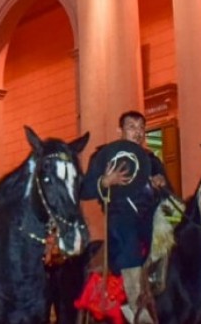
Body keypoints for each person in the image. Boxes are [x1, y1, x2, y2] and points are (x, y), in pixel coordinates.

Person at [80, 111, 169, 324]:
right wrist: (105, 181)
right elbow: (84, 190)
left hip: (150, 221)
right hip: (120, 222)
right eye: (131, 127)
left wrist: (160, 184)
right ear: (119, 131)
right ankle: (136, 307)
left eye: (141, 128)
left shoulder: (152, 160)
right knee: (127, 236)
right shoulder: (105, 156)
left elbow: (168, 194)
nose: (137, 132)